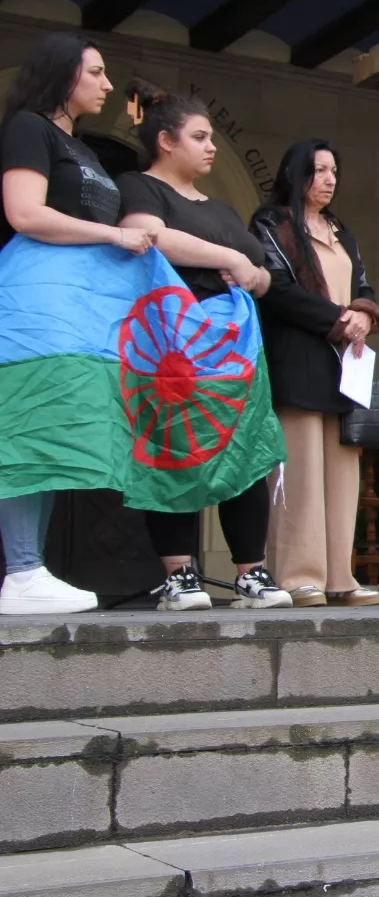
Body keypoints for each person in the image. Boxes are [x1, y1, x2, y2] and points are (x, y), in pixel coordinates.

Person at [117, 80, 291, 611]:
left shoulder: (217, 208)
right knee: (174, 447)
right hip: (173, 344)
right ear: (166, 141)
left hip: (234, 347)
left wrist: (252, 276)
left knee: (244, 452)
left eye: (212, 136)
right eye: (199, 136)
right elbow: (149, 234)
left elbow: (262, 271)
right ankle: (179, 576)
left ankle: (250, 573)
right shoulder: (139, 185)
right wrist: (234, 261)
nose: (211, 146)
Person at [0, 33, 146, 615]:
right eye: (97, 73)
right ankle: (21, 568)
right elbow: (25, 212)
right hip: (39, 297)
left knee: (57, 429)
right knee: (34, 424)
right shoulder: (27, 128)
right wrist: (114, 234)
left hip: (78, 305)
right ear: (64, 77)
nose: (108, 85)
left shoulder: (77, 145)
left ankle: (27, 570)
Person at [250, 140, 379, 607]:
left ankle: (339, 576)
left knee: (341, 472)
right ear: (295, 173)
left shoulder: (340, 230)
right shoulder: (271, 223)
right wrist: (339, 318)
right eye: (318, 170)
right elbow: (277, 290)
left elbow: (364, 283)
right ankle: (296, 575)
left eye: (334, 170)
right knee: (301, 470)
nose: (329, 179)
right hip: (297, 356)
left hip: (343, 361)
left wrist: (364, 314)